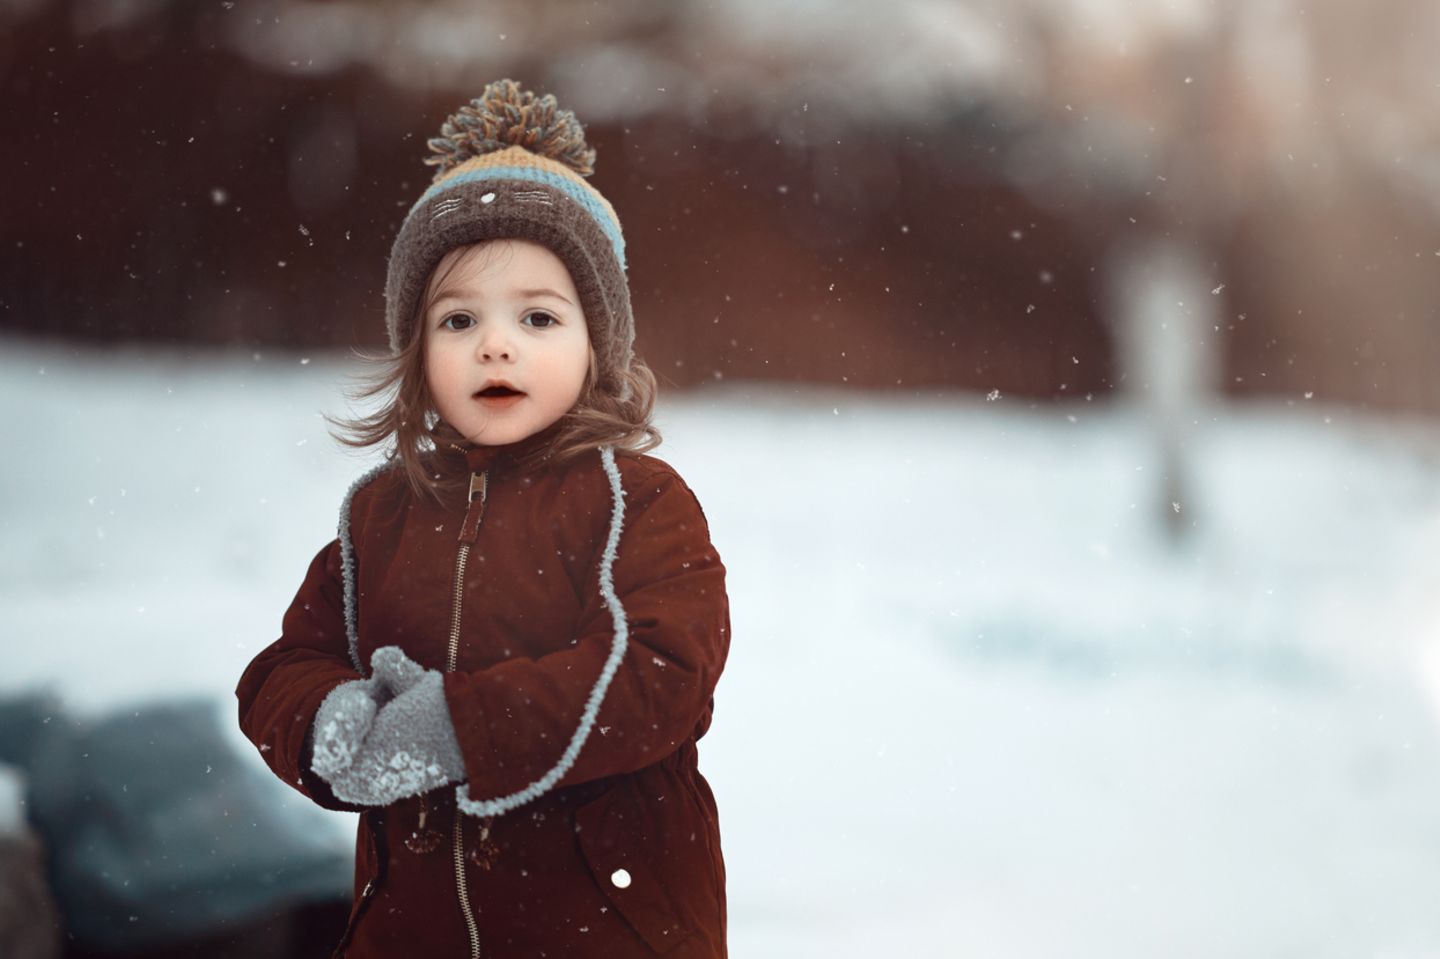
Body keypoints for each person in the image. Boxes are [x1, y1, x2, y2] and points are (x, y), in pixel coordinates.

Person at [235, 78, 731, 959]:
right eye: (458, 319)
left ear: (596, 348)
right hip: (409, 930)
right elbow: (285, 664)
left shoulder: (635, 499)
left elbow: (658, 670)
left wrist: (459, 727)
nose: (495, 344)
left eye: (537, 316)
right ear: (419, 356)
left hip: (604, 930)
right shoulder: (380, 518)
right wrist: (330, 723)